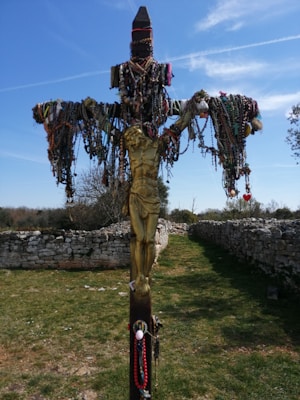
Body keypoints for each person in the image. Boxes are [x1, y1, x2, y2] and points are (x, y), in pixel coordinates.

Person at [124, 125, 161, 296]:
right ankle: (139, 275)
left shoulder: (156, 146)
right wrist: (94, 110)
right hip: (135, 197)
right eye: (129, 140)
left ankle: (146, 274)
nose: (131, 142)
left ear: (140, 134)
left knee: (150, 240)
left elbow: (176, 130)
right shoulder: (132, 151)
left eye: (132, 138)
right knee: (140, 239)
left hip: (152, 197)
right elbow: (107, 128)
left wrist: (192, 109)